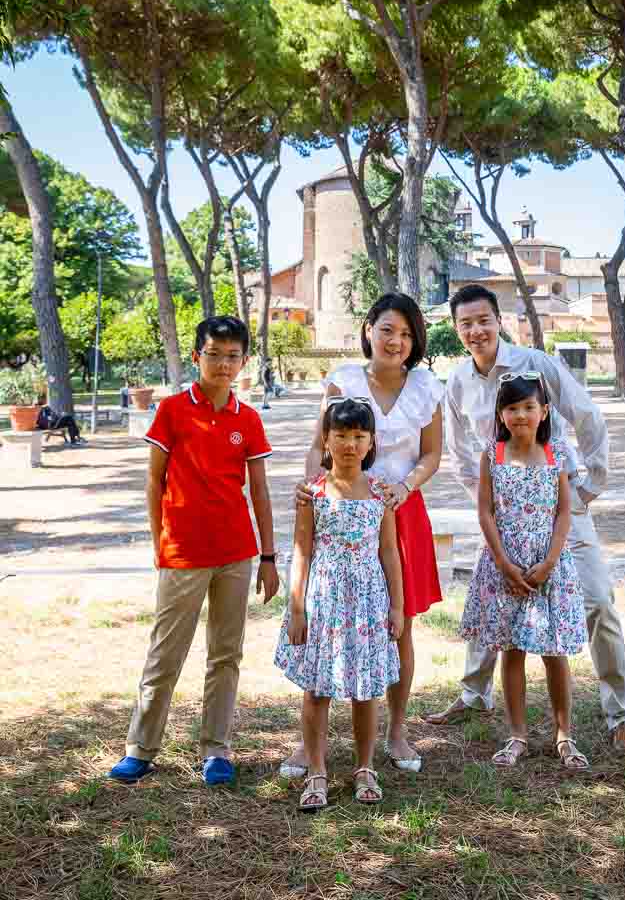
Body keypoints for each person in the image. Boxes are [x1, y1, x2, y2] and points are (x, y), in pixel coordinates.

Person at [425, 284, 625, 751]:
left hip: (560, 507)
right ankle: (474, 694)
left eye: (484, 319)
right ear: (457, 329)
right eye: (466, 323)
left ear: (499, 320)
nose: (476, 330)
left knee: (598, 601)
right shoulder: (458, 382)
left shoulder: (535, 364)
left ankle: (621, 714)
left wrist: (588, 488)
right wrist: (492, 503)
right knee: (494, 605)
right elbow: (463, 455)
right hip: (506, 518)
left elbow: (586, 416)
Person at [108, 315, 280, 787]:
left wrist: (268, 556)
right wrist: (158, 540)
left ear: (244, 361)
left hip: (235, 554)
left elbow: (260, 492)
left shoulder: (248, 419)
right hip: (182, 553)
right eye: (213, 354)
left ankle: (216, 749)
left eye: (232, 356)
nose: (223, 364)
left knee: (226, 654)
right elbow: (153, 480)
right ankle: (140, 749)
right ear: (197, 356)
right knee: (166, 653)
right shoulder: (171, 411)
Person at [283, 292, 443, 777]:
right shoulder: (344, 380)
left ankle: (395, 730)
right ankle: (310, 746)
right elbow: (318, 446)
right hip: (339, 510)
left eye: (407, 333)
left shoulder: (427, 387)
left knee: (398, 626)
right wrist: (315, 489)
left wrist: (403, 486)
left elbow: (431, 455)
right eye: (388, 329)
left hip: (399, 511)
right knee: (324, 624)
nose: (396, 341)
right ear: (369, 328)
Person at [275, 398, 404, 811]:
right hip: (323, 602)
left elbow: (389, 553)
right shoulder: (311, 493)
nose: (350, 444)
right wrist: (297, 608)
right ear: (327, 440)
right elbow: (302, 551)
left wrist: (397, 608)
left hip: (368, 603)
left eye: (359, 436)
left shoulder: (380, 493)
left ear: (371, 441)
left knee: (365, 690)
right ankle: (316, 770)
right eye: (342, 435)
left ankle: (365, 767)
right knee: (317, 690)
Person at [460, 372, 589, 770]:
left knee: (553, 653)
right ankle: (517, 734)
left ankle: (564, 734)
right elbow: (485, 510)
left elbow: (565, 510)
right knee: (511, 650)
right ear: (501, 414)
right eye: (512, 408)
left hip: (547, 566)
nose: (520, 415)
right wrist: (503, 563)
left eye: (528, 407)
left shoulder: (555, 455)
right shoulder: (492, 455)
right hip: (505, 565)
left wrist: (549, 562)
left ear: (544, 411)